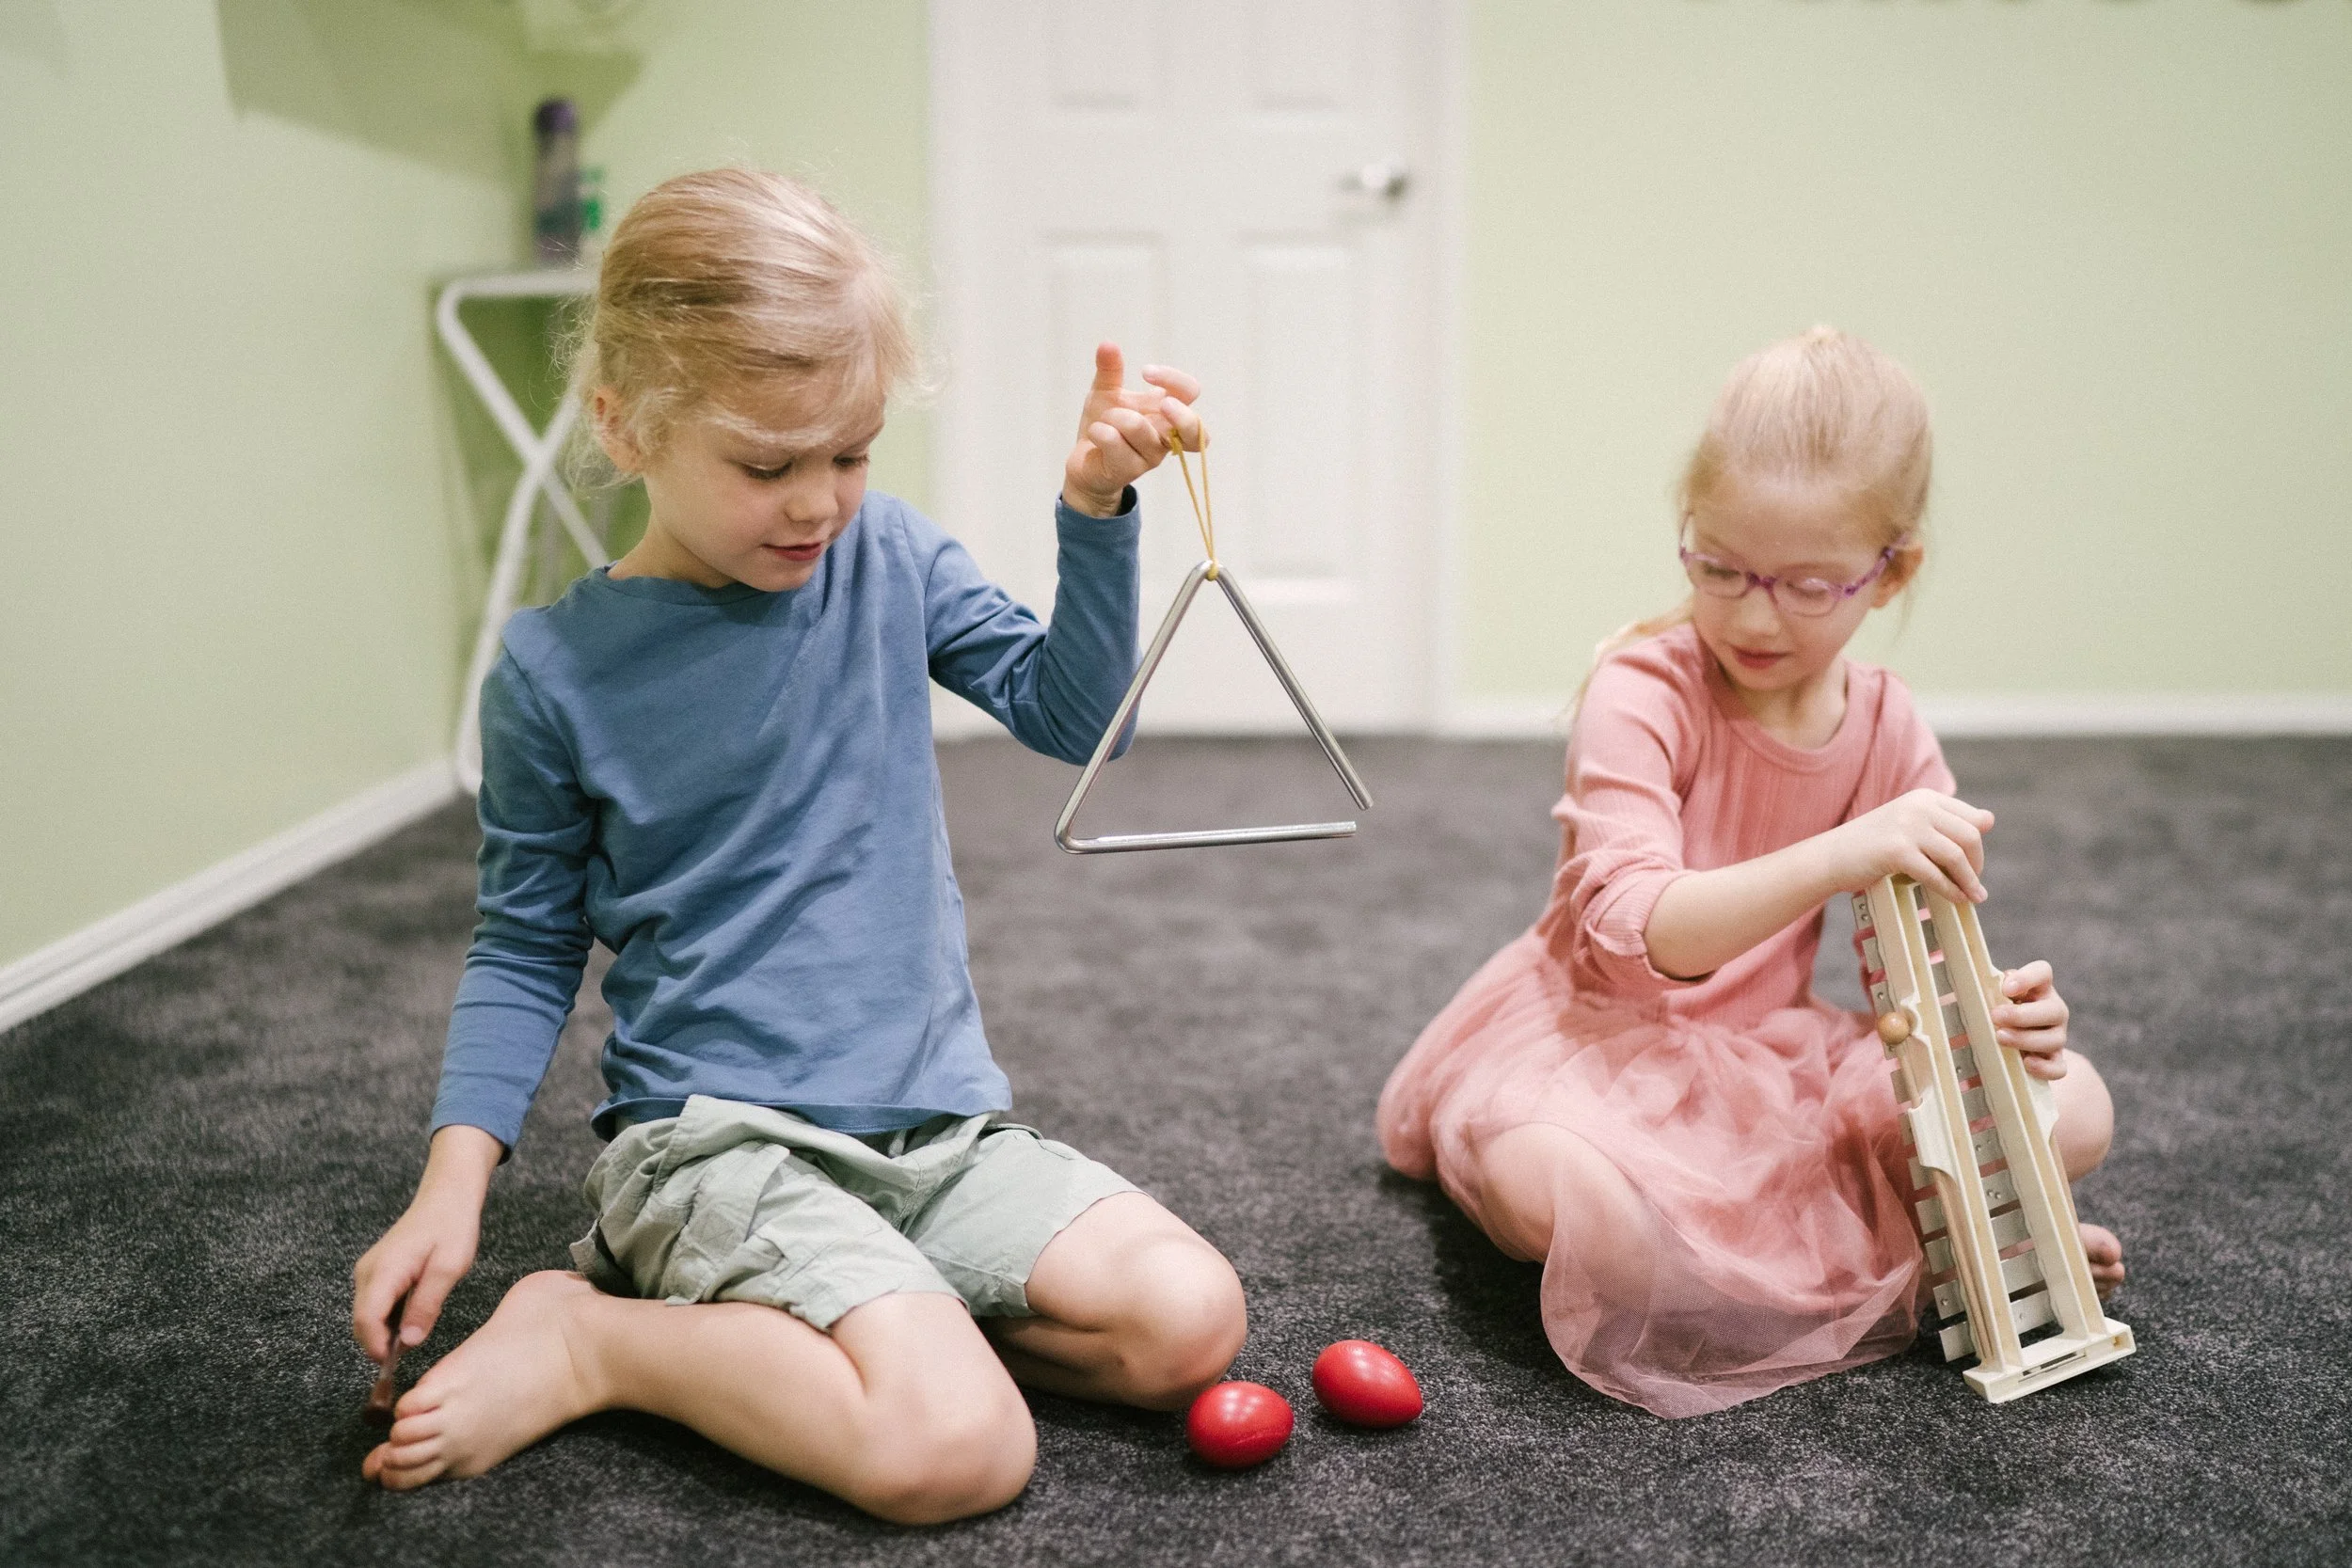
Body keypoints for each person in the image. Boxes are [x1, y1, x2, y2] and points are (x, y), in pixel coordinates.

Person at [350, 168, 1246, 1521]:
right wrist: (450, 1179)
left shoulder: (888, 554)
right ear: (626, 425)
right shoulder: (552, 669)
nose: (820, 501)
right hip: (716, 1148)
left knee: (1189, 1321)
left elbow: (1081, 722)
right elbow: (528, 943)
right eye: (768, 464)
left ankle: (855, 1319)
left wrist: (1099, 508)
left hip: (934, 1133)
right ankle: (595, 1336)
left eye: (852, 450)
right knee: (960, 1449)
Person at [1376, 326, 2124, 1418]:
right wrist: (1840, 848)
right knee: (1584, 1212)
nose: (1752, 612)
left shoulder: (1887, 725)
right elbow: (1637, 937)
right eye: (1718, 566)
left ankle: (1917, 1236)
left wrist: (2006, 1022)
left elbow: (1919, 979)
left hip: (1771, 1051)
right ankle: (1920, 1252)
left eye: (1808, 584)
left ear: (1892, 568)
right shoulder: (1644, 687)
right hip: (1589, 1036)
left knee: (2078, 1109)